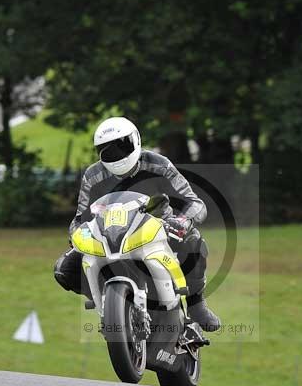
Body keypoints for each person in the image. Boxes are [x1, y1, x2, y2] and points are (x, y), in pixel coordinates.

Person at [54, 116, 220, 331]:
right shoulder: (92, 176)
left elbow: (195, 202)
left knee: (194, 240)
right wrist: (78, 235)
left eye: (122, 146)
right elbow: (80, 218)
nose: (116, 154)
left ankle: (197, 304)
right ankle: (110, 302)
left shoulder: (159, 165)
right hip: (109, 235)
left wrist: (182, 220)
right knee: (64, 269)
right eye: (107, 150)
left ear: (136, 141)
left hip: (158, 229)